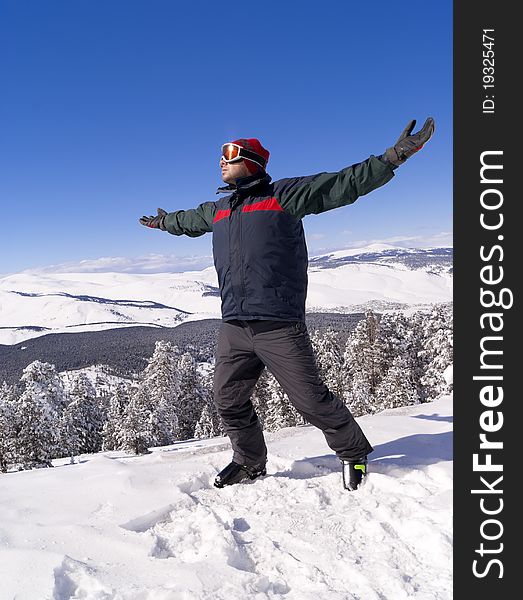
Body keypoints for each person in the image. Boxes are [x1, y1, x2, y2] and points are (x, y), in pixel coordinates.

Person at [140, 118, 435, 490]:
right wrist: (165, 221)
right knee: (227, 400)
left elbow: (344, 183)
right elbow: (188, 220)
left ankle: (353, 452)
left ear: (253, 162)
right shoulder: (219, 209)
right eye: (220, 155)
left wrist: (393, 157)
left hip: (278, 324)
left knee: (311, 401)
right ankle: (249, 462)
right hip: (234, 325)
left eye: (230, 154)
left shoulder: (284, 196)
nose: (222, 160)